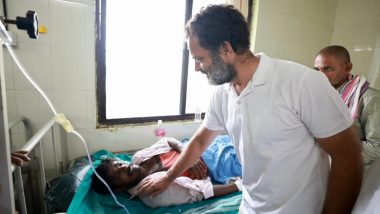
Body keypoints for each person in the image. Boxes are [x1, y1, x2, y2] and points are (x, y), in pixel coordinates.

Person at [135, 5, 363, 214]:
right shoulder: (223, 93)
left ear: (226, 49)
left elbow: (349, 159)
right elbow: (200, 142)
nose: (196, 68)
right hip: (250, 207)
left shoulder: (302, 83)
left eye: (200, 59)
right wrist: (168, 176)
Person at [91, 137, 242, 208]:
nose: (124, 167)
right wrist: (238, 186)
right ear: (119, 189)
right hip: (218, 165)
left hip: (200, 144)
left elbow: (167, 141)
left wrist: (186, 152)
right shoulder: (153, 192)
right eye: (118, 175)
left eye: (119, 163)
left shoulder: (138, 157)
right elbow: (202, 192)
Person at [314, 45, 380, 169]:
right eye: (317, 70)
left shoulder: (370, 98)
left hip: (352, 173)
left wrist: (332, 150)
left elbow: (377, 147)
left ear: (347, 68)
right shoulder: (320, 92)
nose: (320, 75)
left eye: (328, 69)